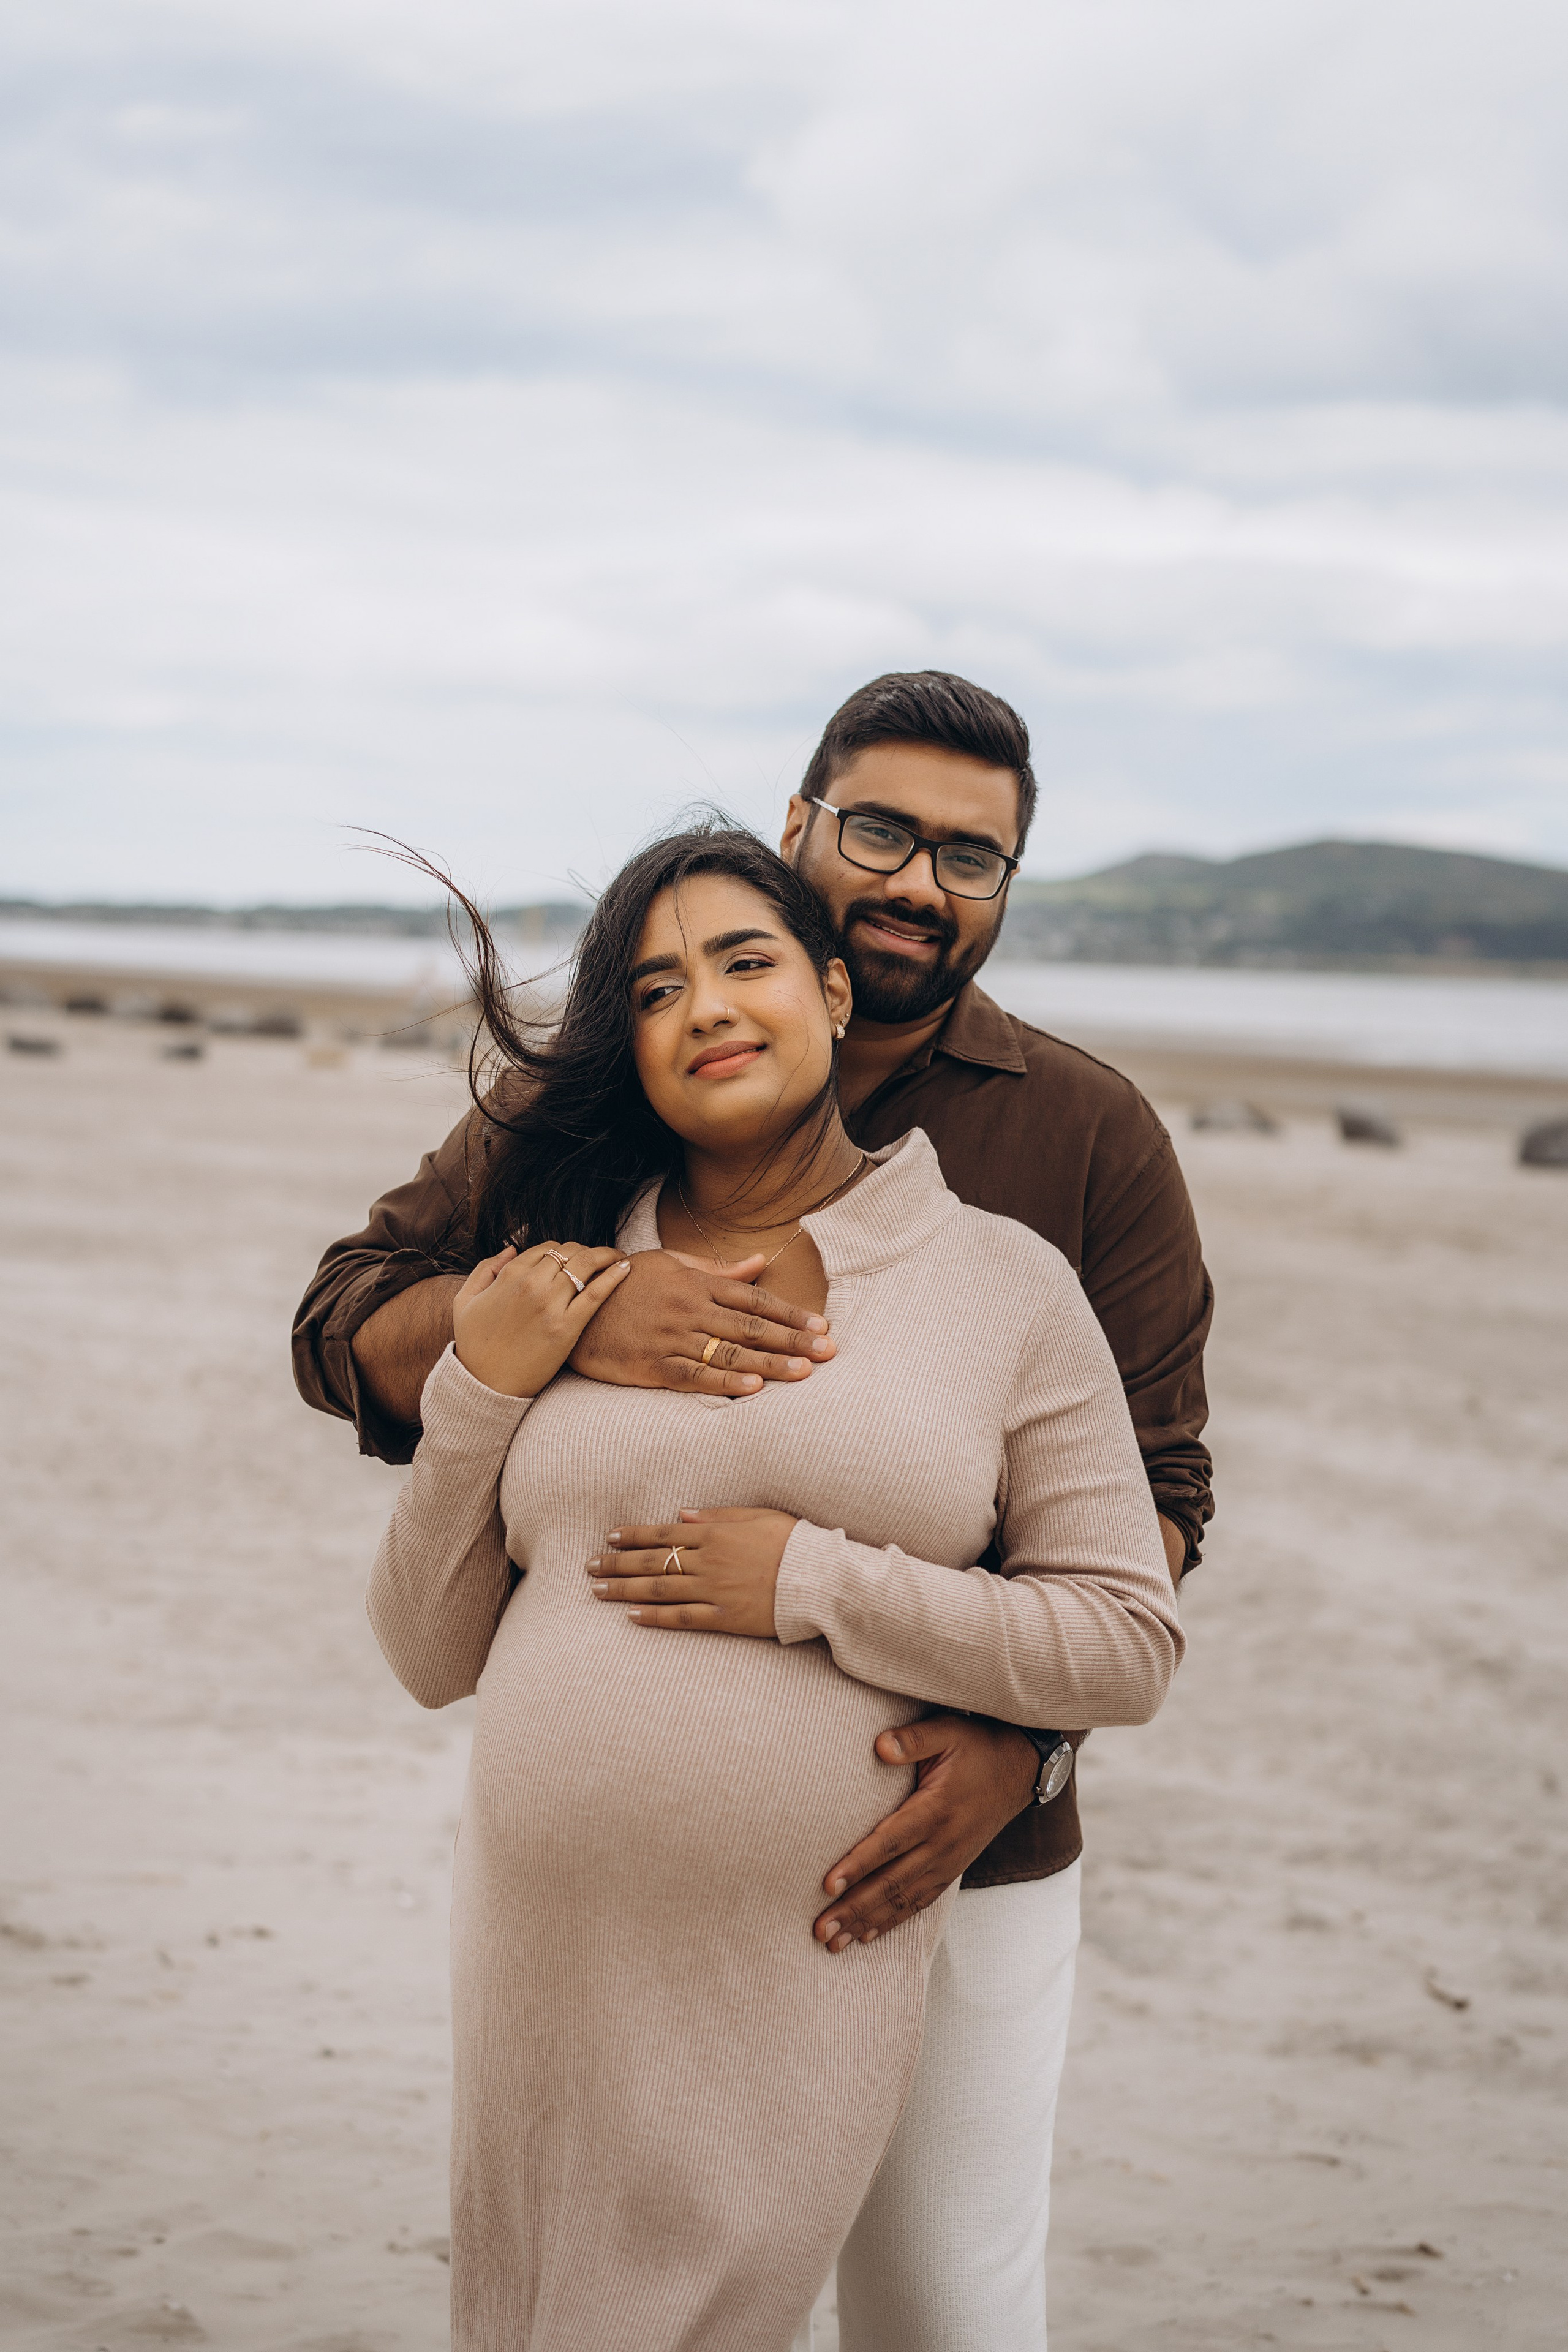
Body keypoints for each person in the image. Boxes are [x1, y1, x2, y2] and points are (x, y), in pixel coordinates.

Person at [294, 670, 1215, 2347]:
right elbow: (346, 1322)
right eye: (882, 832)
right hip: (575, 1914)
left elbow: (1152, 1516)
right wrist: (554, 1316)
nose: (921, 882)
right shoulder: (595, 1133)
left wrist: (1021, 1741)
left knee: (941, 2309)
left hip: (941, 1847)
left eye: (971, 856)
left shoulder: (1080, 1144)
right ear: (803, 828)